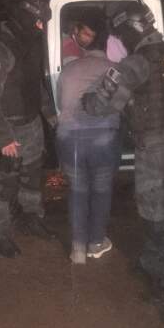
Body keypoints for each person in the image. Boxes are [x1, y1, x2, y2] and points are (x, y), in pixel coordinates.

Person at [83, 1, 164, 300]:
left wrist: (85, 100)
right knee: (158, 209)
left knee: (159, 218)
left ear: (131, 28)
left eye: (120, 34)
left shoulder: (137, 63)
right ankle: (151, 262)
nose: (120, 40)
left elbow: (101, 105)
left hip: (157, 149)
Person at [0, 0, 57, 258]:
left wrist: (52, 118)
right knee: (4, 185)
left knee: (32, 178)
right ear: (24, 18)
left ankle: (32, 218)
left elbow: (36, 87)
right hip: (9, 129)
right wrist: (4, 138)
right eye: (38, 22)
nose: (41, 28)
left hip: (32, 124)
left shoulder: (30, 44)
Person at [56, 30, 119, 264]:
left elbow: (59, 101)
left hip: (70, 139)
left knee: (77, 190)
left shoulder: (69, 70)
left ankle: (78, 249)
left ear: (86, 47)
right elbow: (123, 104)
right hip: (103, 139)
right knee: (101, 190)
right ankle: (96, 243)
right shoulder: (115, 70)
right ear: (106, 49)